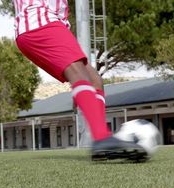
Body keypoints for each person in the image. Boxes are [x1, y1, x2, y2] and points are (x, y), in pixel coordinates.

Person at [12, 0, 145, 161]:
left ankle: (101, 143)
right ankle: (102, 138)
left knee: (95, 80)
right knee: (78, 73)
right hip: (39, 20)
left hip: (41, 25)